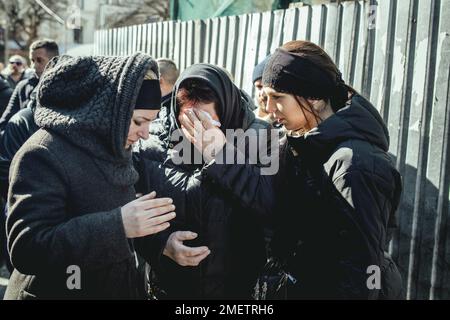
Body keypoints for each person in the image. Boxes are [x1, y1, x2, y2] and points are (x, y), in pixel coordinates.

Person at [203, 40, 403, 299]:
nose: (269, 108)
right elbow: (267, 199)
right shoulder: (300, 143)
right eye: (267, 96)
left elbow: (362, 272)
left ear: (315, 98)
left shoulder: (355, 165)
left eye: (278, 98)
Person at [4, 53, 176, 300]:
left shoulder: (115, 145)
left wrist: (161, 245)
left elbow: (126, 225)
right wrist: (118, 225)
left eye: (151, 122)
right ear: (111, 111)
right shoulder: (42, 152)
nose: (146, 134)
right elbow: (27, 248)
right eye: (139, 121)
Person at [134, 63, 272, 299]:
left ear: (226, 112)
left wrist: (222, 155)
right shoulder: (149, 141)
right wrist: (160, 243)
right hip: (170, 289)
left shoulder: (262, 138)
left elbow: (273, 208)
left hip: (238, 290)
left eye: (208, 123)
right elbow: (126, 210)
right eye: (189, 121)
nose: (198, 133)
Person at [0, 39, 59, 132]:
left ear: (54, 61)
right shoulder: (22, 86)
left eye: (39, 60)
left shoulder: (64, 87)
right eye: (32, 60)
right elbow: (6, 120)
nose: (34, 65)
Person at [252, 55, 274, 123]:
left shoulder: (289, 125)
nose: (263, 93)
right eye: (259, 87)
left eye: (268, 87)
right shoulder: (246, 119)